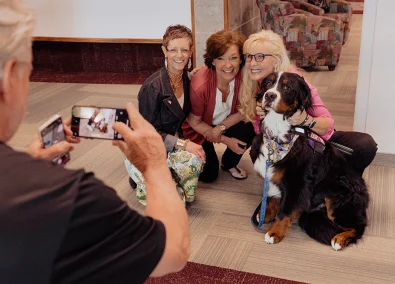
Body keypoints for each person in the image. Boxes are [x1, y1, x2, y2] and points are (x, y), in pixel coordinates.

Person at [0, 2, 190, 283]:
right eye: (29, 73)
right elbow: (173, 251)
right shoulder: (74, 196)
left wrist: (27, 168)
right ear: (8, 77)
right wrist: (154, 165)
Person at [238, 30, 377, 175]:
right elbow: (260, 132)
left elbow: (327, 124)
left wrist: (305, 119)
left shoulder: (295, 81)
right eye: (248, 57)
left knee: (364, 145)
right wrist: (264, 116)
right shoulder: (251, 85)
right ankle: (280, 181)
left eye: (260, 57)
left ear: (276, 59)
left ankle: (338, 183)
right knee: (256, 144)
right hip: (280, 145)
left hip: (309, 140)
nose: (252, 63)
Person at [125, 24, 205, 206]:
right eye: (173, 50)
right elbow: (147, 133)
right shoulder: (152, 87)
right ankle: (138, 172)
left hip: (171, 144)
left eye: (184, 50)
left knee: (195, 160)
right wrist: (185, 144)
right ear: (164, 51)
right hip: (149, 147)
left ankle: (164, 176)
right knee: (171, 206)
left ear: (191, 51)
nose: (179, 55)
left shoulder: (186, 78)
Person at [182, 30, 255, 182]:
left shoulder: (246, 77)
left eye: (233, 58)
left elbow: (245, 110)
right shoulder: (200, 85)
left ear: (241, 59)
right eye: (221, 58)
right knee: (209, 175)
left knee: (250, 126)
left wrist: (220, 129)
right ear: (212, 60)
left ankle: (229, 163)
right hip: (199, 128)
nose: (228, 65)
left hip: (224, 122)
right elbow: (194, 122)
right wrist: (225, 140)